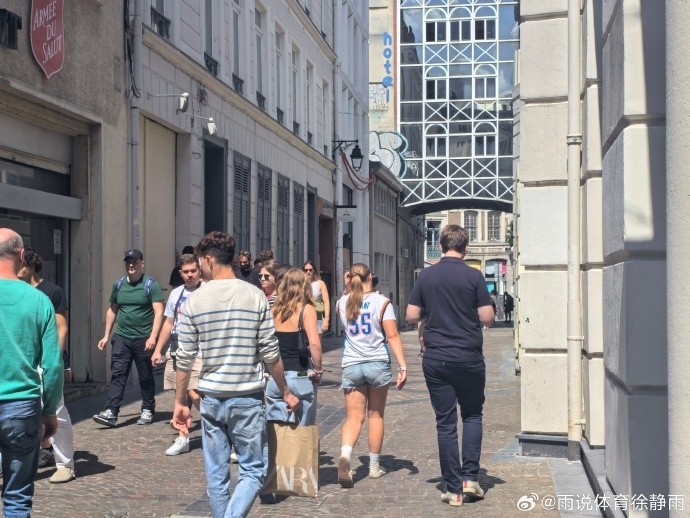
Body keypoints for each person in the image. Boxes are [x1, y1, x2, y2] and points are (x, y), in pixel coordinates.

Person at [172, 231, 299, 518]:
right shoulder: (255, 295)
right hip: (247, 398)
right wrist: (286, 391)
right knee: (253, 470)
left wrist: (180, 400)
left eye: (201, 263)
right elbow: (270, 352)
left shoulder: (195, 300)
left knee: (216, 477)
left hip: (212, 398)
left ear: (208, 259)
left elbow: (185, 356)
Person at [406, 224, 494, 507]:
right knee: (472, 416)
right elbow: (487, 317)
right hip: (469, 357)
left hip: (437, 358)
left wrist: (433, 310)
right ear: (465, 248)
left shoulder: (427, 276)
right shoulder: (474, 276)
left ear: (441, 246)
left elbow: (410, 315)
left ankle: (453, 489)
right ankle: (471, 479)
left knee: (445, 423)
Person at [0, 229, 63, 515]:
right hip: (21, 407)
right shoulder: (39, 301)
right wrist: (50, 411)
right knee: (17, 496)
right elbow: (52, 365)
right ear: (21, 255)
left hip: (18, 406)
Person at [335, 263, 407, 488]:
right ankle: (374, 467)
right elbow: (392, 335)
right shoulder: (382, 302)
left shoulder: (342, 302)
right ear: (371, 277)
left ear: (351, 278)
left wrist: (347, 286)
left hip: (352, 364)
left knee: (353, 417)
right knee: (376, 415)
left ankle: (346, 454)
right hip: (376, 363)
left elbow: (348, 308)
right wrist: (403, 366)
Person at [17, 247, 76, 483]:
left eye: (21, 264)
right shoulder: (14, 290)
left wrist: (54, 358)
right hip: (21, 360)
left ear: (30, 265)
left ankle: (65, 463)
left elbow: (61, 327)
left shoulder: (52, 291)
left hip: (45, 361)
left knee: (55, 411)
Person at [93, 249, 165, 428]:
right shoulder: (118, 285)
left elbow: (159, 312)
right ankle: (112, 412)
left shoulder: (150, 285)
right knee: (118, 374)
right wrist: (106, 335)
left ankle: (148, 408)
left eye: (134, 262)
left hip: (143, 338)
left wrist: (153, 337)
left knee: (145, 376)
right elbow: (113, 310)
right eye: (128, 262)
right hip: (122, 337)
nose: (131, 265)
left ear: (142, 263)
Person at [152, 253, 204, 455]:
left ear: (199, 271)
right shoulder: (176, 294)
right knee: (179, 395)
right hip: (177, 350)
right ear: (180, 273)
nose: (190, 275)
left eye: (193, 271)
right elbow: (168, 322)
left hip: (200, 350)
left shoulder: (207, 290)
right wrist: (158, 349)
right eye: (186, 272)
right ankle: (183, 437)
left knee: (194, 391)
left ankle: (219, 427)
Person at [266, 267, 323, 426]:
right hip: (300, 375)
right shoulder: (306, 309)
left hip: (276, 378)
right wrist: (318, 370)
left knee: (277, 432)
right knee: (302, 432)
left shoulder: (274, 310)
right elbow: (314, 343)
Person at [303, 260, 330, 336]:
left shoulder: (320, 283)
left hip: (317, 316)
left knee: (317, 342)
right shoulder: (300, 284)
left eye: (310, 270)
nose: (308, 272)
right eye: (306, 270)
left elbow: (326, 302)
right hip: (304, 316)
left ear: (314, 271)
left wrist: (326, 319)